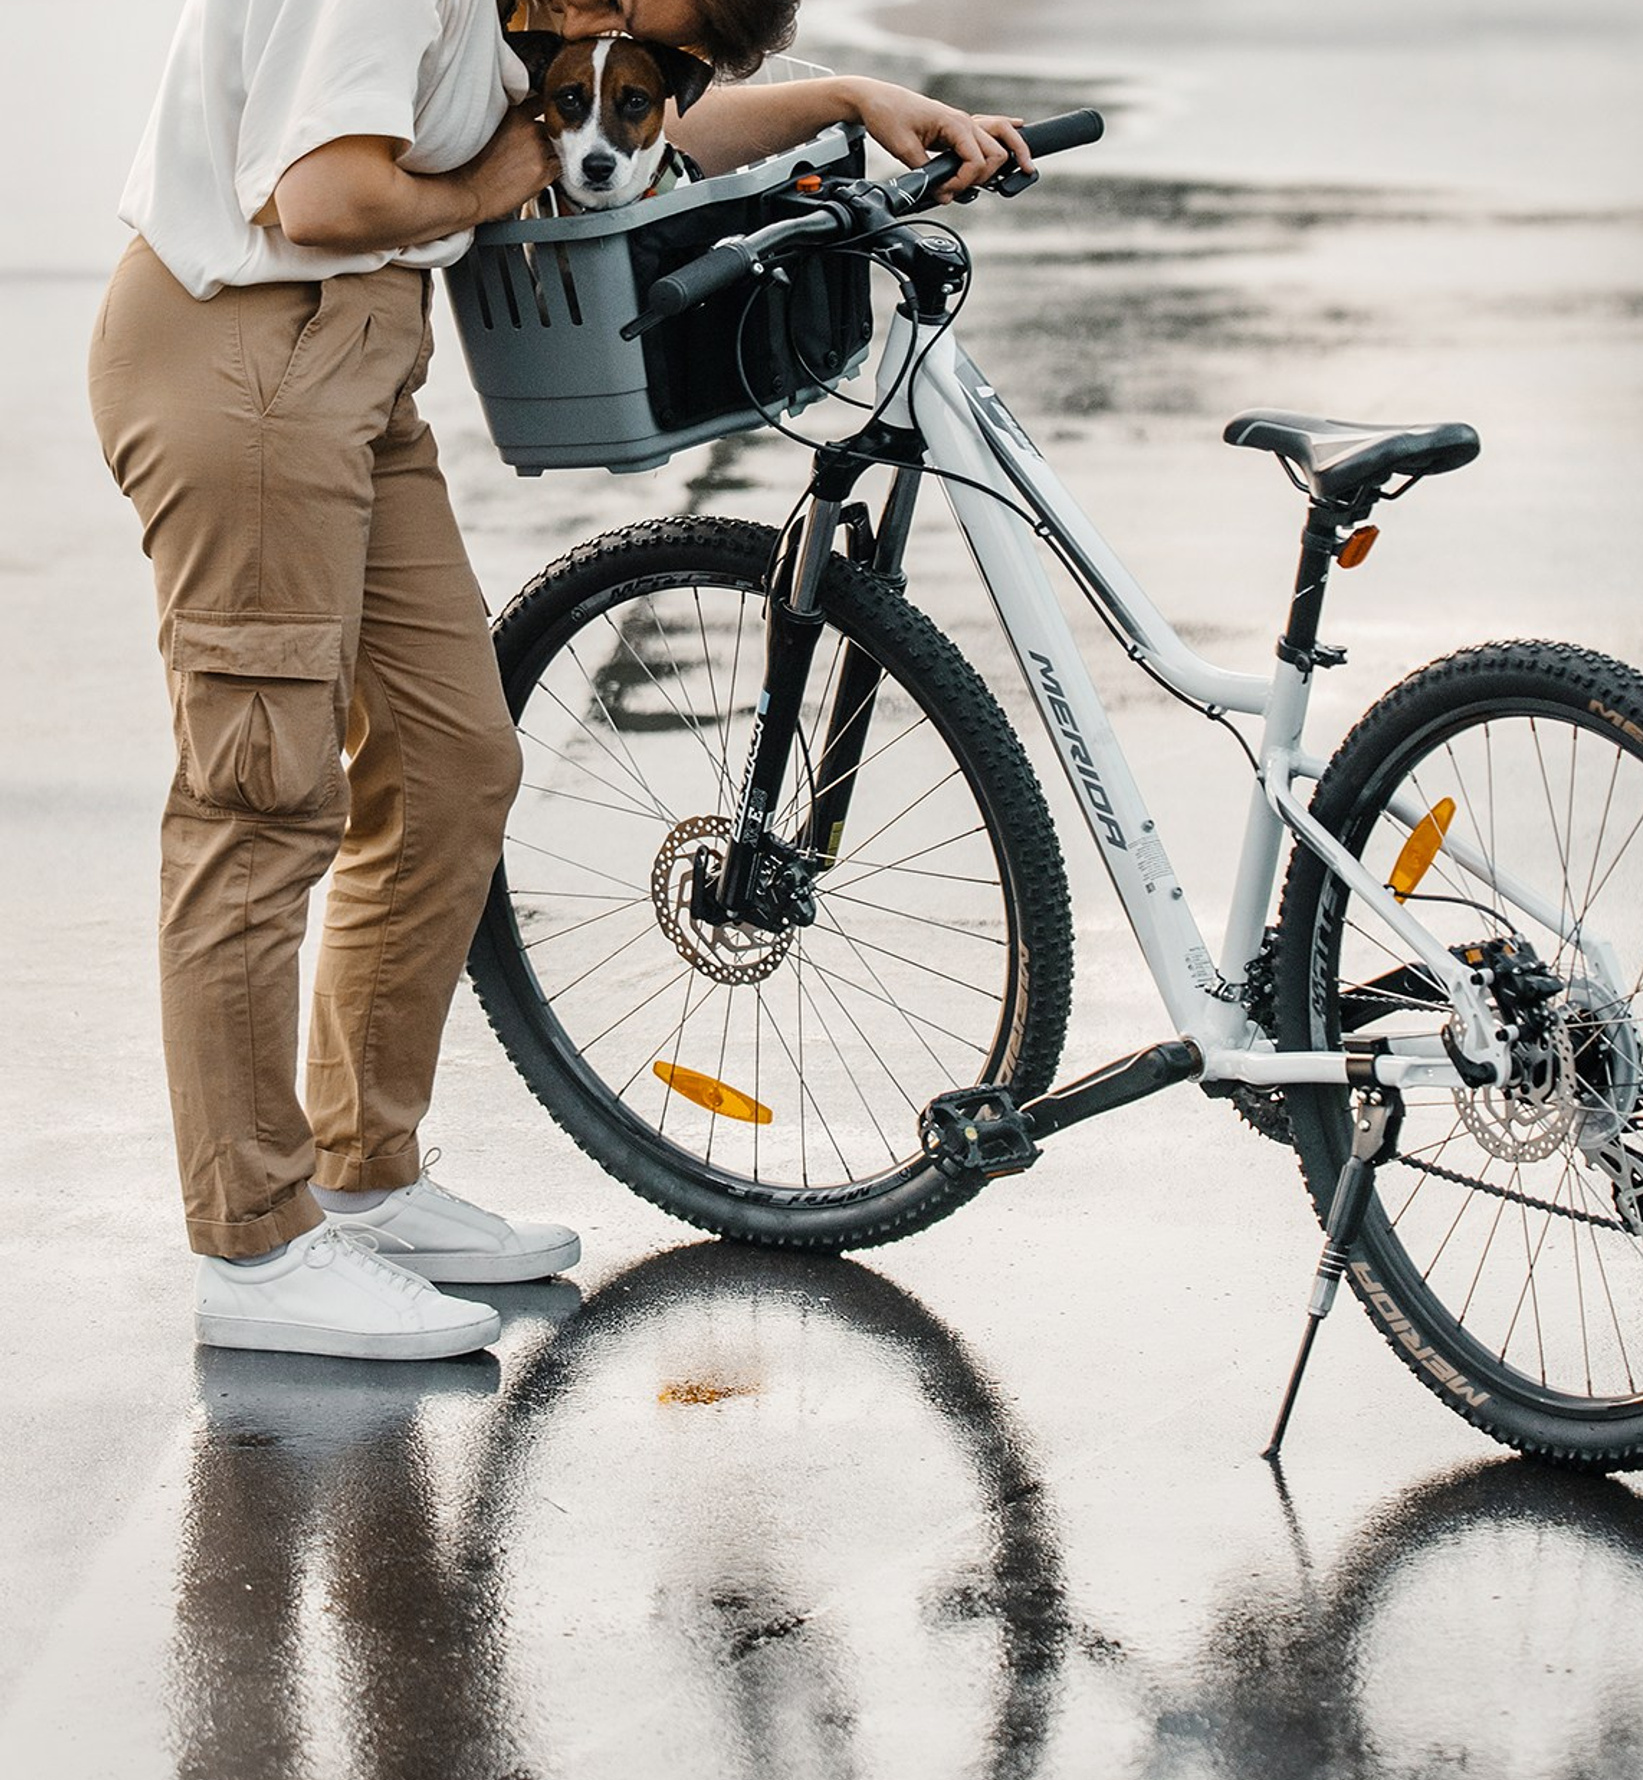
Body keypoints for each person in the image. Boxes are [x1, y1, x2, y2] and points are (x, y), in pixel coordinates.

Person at [88, 0, 1031, 1363]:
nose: (625, 23)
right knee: (260, 800)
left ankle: (362, 1175)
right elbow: (325, 191)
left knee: (455, 759)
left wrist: (854, 98)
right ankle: (255, 1247)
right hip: (239, 353)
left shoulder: (516, 12)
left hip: (355, 360)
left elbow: (646, 118)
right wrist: (491, 184)